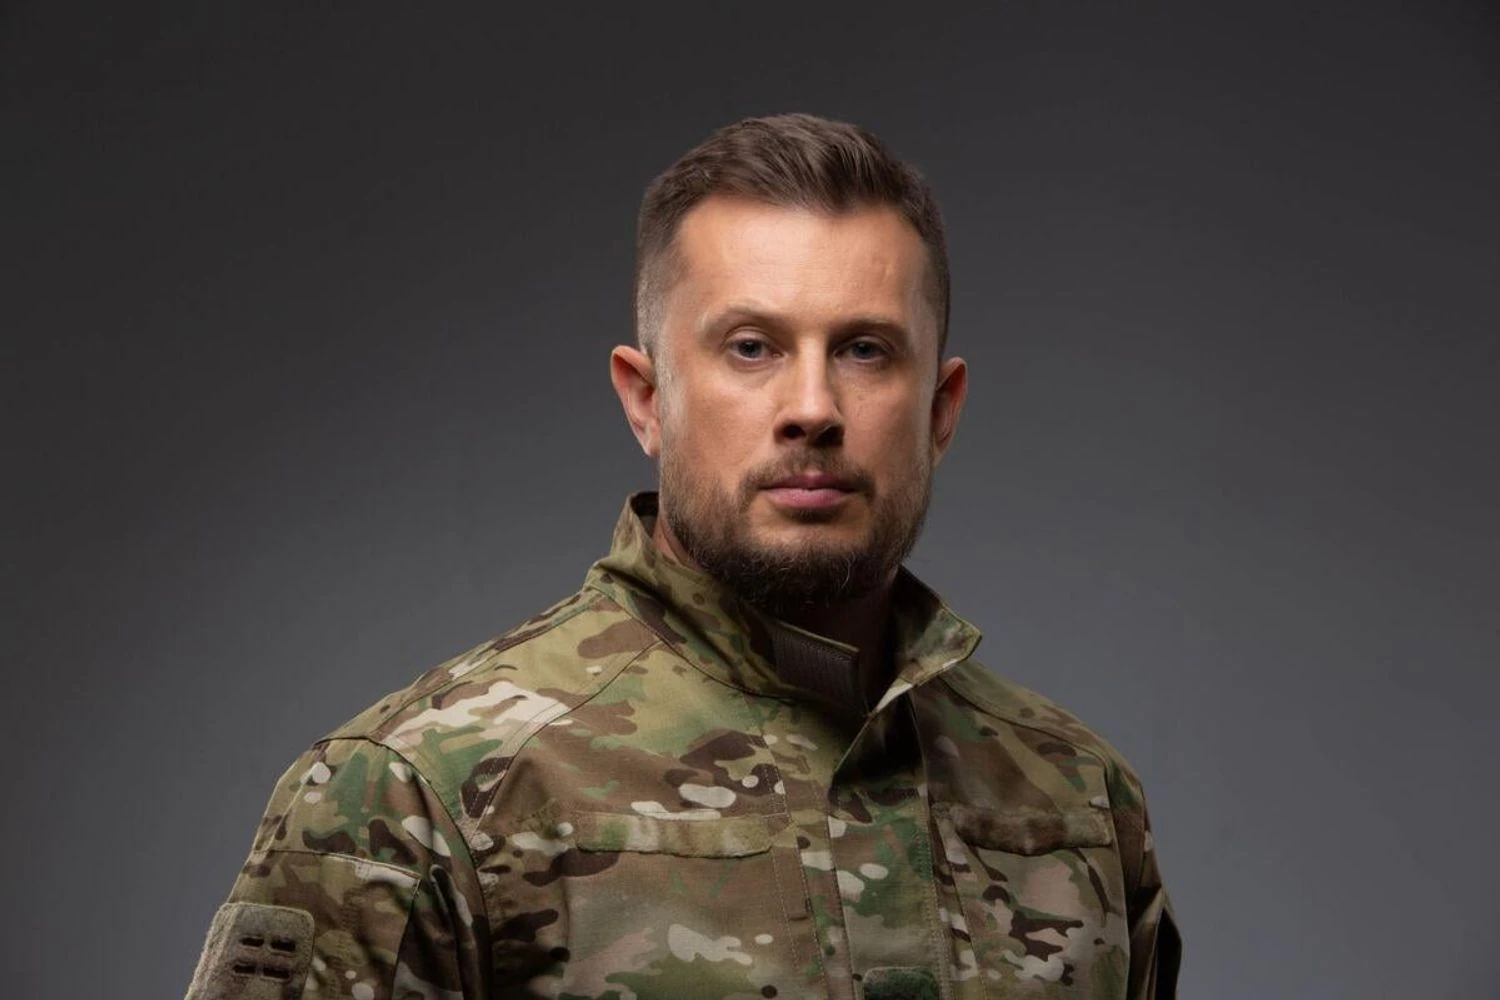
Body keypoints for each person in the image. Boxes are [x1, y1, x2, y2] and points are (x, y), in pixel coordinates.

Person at [185, 112, 1181, 1000]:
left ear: (941, 410)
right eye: (751, 346)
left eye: (865, 349)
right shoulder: (418, 794)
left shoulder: (1078, 799)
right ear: (647, 399)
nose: (813, 408)